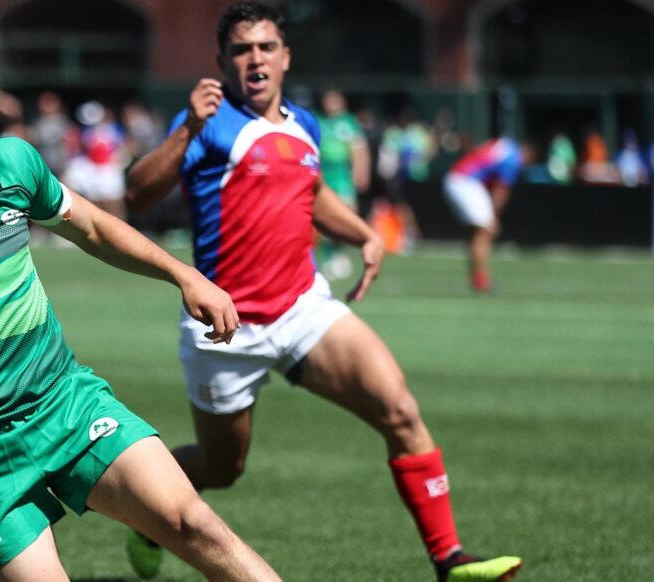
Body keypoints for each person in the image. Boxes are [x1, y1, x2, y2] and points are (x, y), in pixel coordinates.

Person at [0, 44, 280, 582]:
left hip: (64, 403)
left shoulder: (10, 164)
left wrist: (185, 275)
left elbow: (90, 226)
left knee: (194, 524)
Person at [124, 4, 523, 581]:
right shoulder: (205, 121)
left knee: (401, 410)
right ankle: (147, 515)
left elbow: (309, 194)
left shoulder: (304, 124)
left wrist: (364, 234)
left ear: (285, 57)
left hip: (303, 307)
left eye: (265, 47)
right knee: (223, 466)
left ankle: (450, 560)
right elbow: (137, 195)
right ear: (222, 62)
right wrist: (186, 125)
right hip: (225, 324)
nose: (254, 58)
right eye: (241, 49)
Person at [443, 136, 528, 294]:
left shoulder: (504, 144)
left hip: (459, 178)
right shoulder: (513, 159)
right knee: (486, 230)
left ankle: (479, 277)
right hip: (465, 181)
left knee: (482, 232)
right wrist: (494, 216)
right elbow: (502, 190)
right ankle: (480, 280)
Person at [315, 88, 370, 279]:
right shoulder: (318, 121)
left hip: (342, 176)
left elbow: (359, 149)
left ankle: (339, 253)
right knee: (323, 218)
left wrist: (361, 171)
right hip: (323, 175)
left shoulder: (349, 122)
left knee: (346, 216)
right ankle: (328, 257)